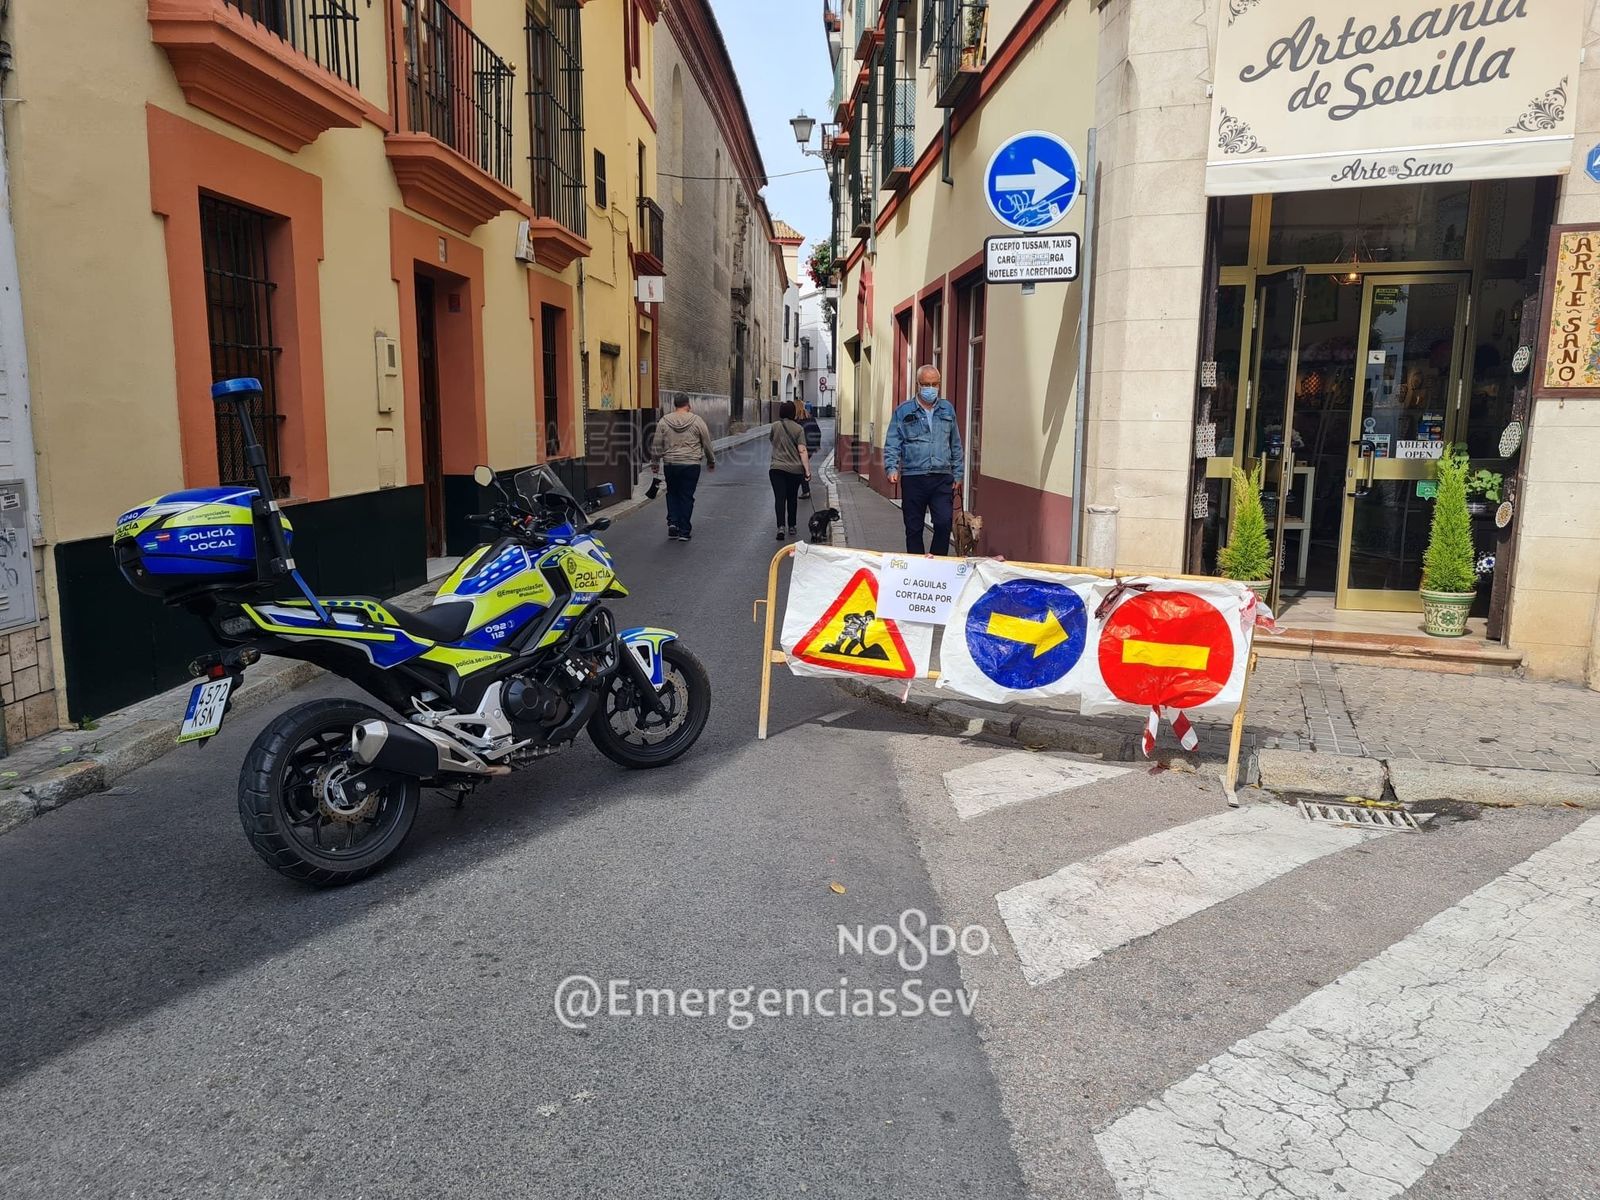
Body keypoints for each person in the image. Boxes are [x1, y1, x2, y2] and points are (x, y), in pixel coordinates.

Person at [884, 364, 964, 556]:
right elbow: (893, 441)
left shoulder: (947, 409)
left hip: (941, 477)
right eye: (926, 384)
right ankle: (917, 568)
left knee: (944, 524)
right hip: (914, 477)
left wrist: (958, 473)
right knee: (914, 528)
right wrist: (891, 467)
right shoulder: (903, 411)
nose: (930, 388)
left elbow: (955, 443)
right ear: (918, 385)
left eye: (935, 384)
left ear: (939, 384)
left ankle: (937, 567)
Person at [649, 395, 716, 542]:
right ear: (688, 404)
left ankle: (673, 523)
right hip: (691, 464)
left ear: (675, 405)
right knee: (686, 496)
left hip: (670, 464)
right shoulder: (697, 421)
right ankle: (684, 531)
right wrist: (711, 461)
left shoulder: (664, 421)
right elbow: (706, 442)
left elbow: (656, 443)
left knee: (672, 493)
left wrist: (655, 463)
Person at [769, 400, 811, 540]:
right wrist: (807, 471)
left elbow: (772, 441)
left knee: (779, 498)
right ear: (793, 412)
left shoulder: (775, 426)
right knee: (792, 498)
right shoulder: (799, 429)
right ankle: (792, 526)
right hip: (795, 470)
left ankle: (781, 527)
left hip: (776, 468)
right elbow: (802, 450)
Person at [798, 403, 823, 498]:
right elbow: (818, 432)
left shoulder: (798, 422)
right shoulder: (811, 419)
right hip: (811, 448)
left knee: (801, 467)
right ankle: (805, 489)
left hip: (802, 447)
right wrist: (816, 445)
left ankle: (805, 490)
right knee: (802, 466)